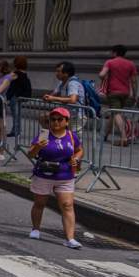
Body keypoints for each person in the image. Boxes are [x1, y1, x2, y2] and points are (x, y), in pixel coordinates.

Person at [27, 107, 83, 249]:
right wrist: (38, 147)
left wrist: (76, 158)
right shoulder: (44, 135)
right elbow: (30, 154)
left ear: (66, 121)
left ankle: (70, 238)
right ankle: (35, 229)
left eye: (60, 119)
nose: (56, 122)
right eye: (53, 119)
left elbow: (79, 150)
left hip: (65, 176)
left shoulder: (71, 135)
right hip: (44, 175)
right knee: (40, 203)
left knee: (67, 205)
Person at [99, 45, 138, 147]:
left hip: (113, 92)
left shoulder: (110, 62)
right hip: (125, 93)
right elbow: (134, 81)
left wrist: (104, 76)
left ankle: (124, 137)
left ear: (114, 52)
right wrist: (134, 95)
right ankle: (105, 135)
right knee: (114, 113)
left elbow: (102, 75)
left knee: (116, 113)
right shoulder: (131, 64)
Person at [42, 61, 86, 131]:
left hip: (76, 117)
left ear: (66, 73)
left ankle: (45, 140)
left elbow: (72, 99)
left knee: (73, 139)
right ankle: (43, 140)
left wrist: (53, 98)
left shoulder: (73, 83)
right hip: (65, 114)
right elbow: (54, 93)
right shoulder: (62, 82)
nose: (56, 74)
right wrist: (48, 97)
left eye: (58, 71)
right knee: (44, 119)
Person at [4, 55, 31, 139]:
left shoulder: (16, 74)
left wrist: (8, 97)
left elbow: (11, 85)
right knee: (17, 114)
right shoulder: (24, 74)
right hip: (21, 96)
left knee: (15, 114)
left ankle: (15, 131)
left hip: (15, 97)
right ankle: (17, 130)